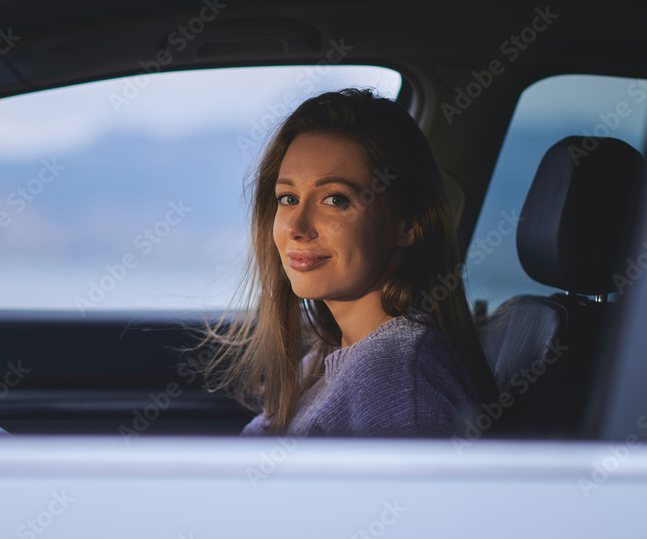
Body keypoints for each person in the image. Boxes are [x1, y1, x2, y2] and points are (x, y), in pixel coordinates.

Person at [194, 88, 497, 437]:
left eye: (335, 199)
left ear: (408, 224)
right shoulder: (334, 356)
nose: (295, 226)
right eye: (288, 198)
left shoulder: (395, 377)